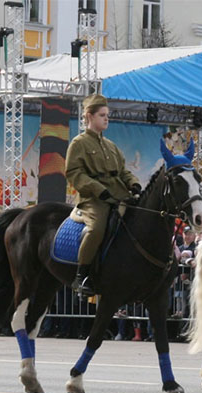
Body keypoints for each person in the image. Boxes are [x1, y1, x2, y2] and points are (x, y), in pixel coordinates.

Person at [65, 94, 141, 296]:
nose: (106, 119)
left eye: (107, 115)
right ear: (89, 116)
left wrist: (133, 183)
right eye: (102, 115)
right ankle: (82, 277)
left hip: (118, 194)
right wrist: (99, 189)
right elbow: (74, 173)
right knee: (97, 228)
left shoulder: (111, 145)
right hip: (93, 199)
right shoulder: (78, 143)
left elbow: (123, 170)